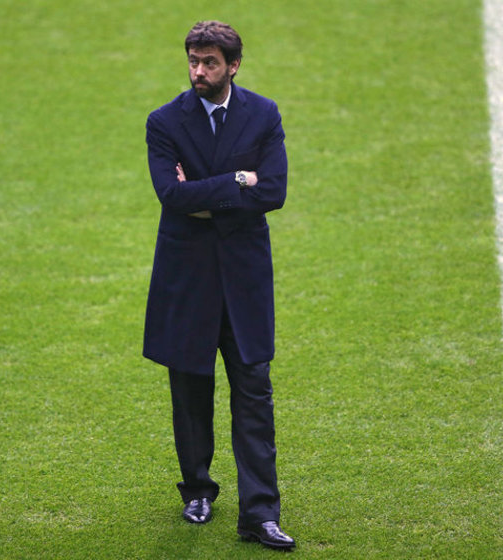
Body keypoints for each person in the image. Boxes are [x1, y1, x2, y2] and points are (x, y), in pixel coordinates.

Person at [142, 21, 295, 550]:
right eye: (193, 61)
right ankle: (198, 491)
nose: (198, 71)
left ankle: (260, 513)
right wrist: (236, 180)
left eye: (209, 62)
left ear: (233, 65)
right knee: (190, 390)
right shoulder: (164, 122)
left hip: (244, 279)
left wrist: (206, 196)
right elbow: (171, 195)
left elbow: (273, 191)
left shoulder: (264, 114)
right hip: (187, 278)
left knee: (254, 392)